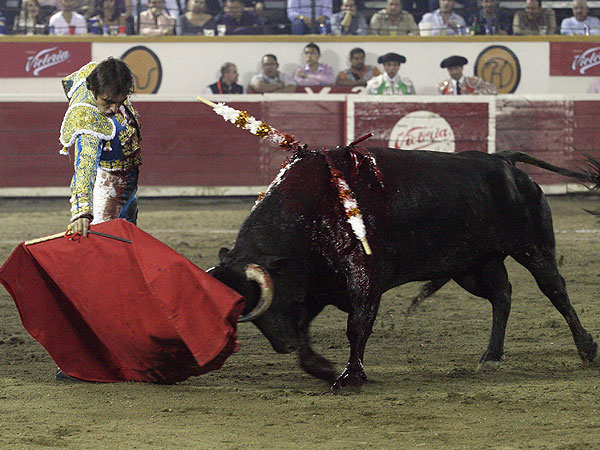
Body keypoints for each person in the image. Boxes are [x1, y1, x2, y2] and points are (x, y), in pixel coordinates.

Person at [59, 57, 141, 238]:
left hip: (128, 178)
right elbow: (85, 166)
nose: (114, 108)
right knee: (109, 242)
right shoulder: (88, 119)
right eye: (108, 101)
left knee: (128, 237)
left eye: (120, 101)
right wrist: (81, 212)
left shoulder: (95, 73)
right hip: (108, 184)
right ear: (93, 89)